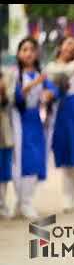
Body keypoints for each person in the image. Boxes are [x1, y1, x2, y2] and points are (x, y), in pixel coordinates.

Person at [10, 37, 59, 220]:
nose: (29, 53)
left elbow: (54, 90)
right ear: (18, 53)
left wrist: (49, 93)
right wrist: (34, 84)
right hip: (18, 121)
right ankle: (22, 201)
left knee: (36, 159)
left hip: (36, 122)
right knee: (19, 160)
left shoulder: (42, 73)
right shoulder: (15, 74)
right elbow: (15, 97)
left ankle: (26, 200)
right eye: (24, 49)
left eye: (32, 49)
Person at [44, 36, 74, 213]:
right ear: (60, 46)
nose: (71, 46)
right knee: (68, 157)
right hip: (65, 112)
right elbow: (61, 77)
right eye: (67, 42)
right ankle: (68, 197)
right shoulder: (52, 67)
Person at [0, 70, 15, 218]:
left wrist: (3, 93)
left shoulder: (7, 76)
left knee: (3, 170)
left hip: (3, 131)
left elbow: (10, 102)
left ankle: (2, 203)